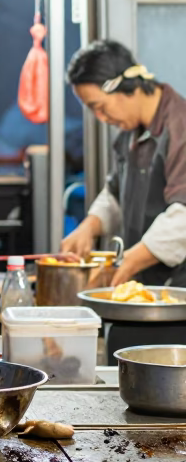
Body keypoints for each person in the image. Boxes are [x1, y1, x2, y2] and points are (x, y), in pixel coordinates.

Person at [62, 40, 186, 286]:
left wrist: (129, 261)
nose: (100, 118)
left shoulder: (179, 126)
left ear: (126, 87)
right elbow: (116, 194)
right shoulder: (130, 134)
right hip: (149, 288)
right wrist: (89, 226)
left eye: (99, 107)